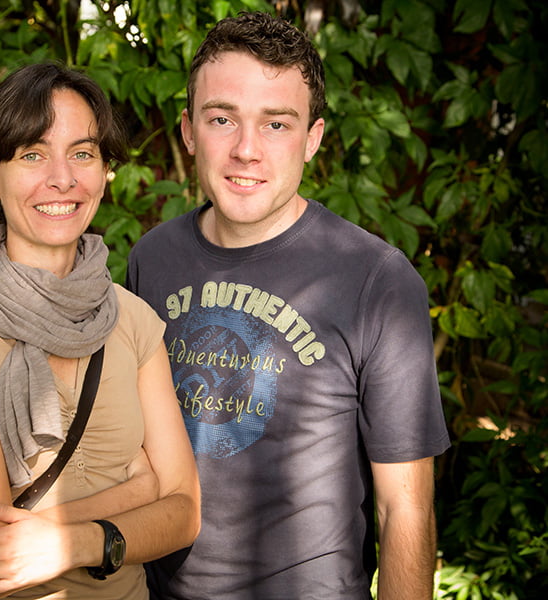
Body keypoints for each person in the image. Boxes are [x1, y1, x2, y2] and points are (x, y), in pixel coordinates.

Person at [125, 11, 451, 600]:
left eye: (276, 124)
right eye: (222, 118)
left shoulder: (377, 281)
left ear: (313, 139)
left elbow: (403, 507)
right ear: (188, 131)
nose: (246, 149)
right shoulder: (153, 259)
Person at [0, 62, 200, 600]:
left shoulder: (133, 321)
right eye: (32, 154)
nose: (63, 177)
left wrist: (77, 542)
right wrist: (140, 490)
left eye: (82, 153)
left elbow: (184, 512)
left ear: (105, 172)